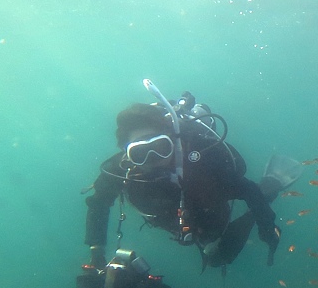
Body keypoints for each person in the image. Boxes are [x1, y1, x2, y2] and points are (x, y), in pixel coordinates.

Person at [83, 83, 302, 272]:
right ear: (127, 154)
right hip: (178, 224)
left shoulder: (202, 163)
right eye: (140, 153)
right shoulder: (121, 170)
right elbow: (98, 203)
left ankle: (271, 186)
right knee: (211, 253)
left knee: (219, 257)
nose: (152, 158)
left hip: (212, 213)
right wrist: (96, 250)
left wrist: (266, 227)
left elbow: (248, 190)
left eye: (160, 147)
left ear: (172, 139)